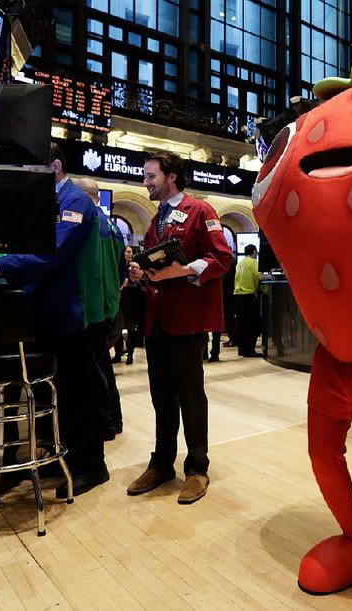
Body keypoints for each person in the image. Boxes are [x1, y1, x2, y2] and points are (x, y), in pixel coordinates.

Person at [0, 143, 111, 496]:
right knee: (53, 394)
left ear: (54, 166)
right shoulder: (42, 202)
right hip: (44, 314)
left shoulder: (75, 201)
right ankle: (60, 458)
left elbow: (50, 251)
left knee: (78, 394)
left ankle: (91, 466)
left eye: (31, 169)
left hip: (74, 314)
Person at [126, 151, 232, 505]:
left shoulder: (200, 211)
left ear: (171, 176)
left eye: (150, 176)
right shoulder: (157, 219)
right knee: (161, 399)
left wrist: (183, 271)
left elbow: (222, 258)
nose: (146, 182)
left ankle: (197, 468)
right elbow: (160, 265)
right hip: (157, 320)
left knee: (190, 396)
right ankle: (161, 464)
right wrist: (144, 273)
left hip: (187, 322)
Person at [77, 177, 126, 440]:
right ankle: (114, 419)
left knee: (92, 370)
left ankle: (104, 423)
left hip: (91, 306)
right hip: (110, 305)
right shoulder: (114, 226)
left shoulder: (85, 222)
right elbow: (122, 271)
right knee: (102, 363)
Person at [234, 244, 263, 358]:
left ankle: (242, 349)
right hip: (248, 296)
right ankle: (250, 350)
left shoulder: (240, 263)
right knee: (252, 324)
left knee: (242, 324)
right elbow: (260, 277)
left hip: (238, 295)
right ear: (254, 252)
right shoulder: (253, 263)